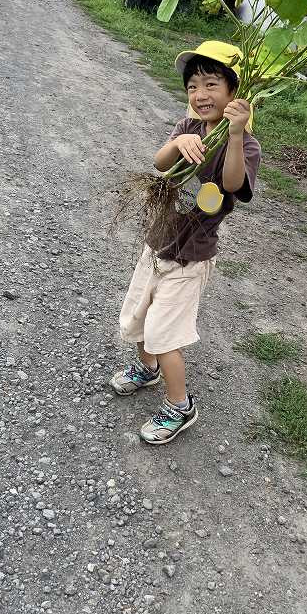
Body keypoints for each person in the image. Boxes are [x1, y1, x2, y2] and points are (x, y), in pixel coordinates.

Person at [111, 40, 262, 445]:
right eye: (193, 86)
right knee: (141, 314)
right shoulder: (189, 127)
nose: (200, 94)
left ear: (235, 92)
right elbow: (160, 165)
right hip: (158, 243)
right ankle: (147, 369)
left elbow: (231, 184)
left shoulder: (245, 144)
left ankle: (180, 405)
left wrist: (232, 134)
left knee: (165, 334)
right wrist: (178, 144)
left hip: (191, 255)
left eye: (211, 84)